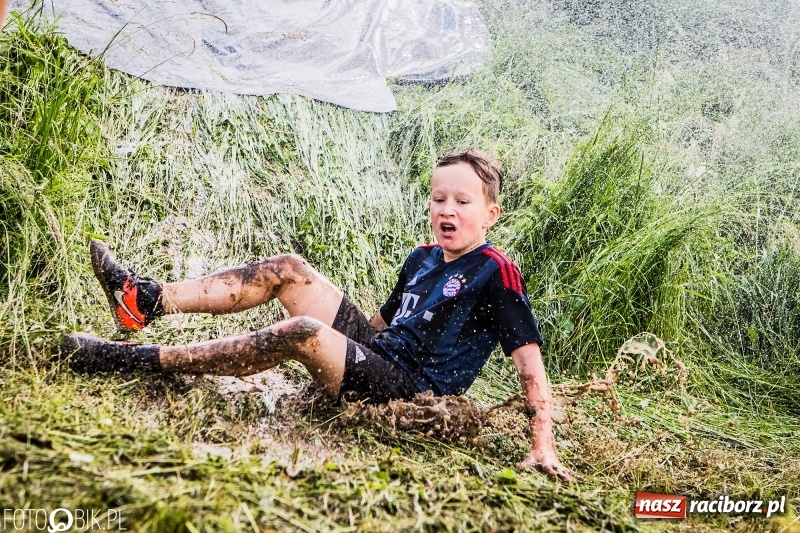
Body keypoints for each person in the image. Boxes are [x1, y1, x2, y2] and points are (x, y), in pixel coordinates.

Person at [62, 149, 574, 482]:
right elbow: (379, 325)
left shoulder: (496, 271)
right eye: (440, 198)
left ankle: (132, 360)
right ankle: (142, 300)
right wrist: (345, 342)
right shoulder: (422, 257)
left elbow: (529, 363)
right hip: (380, 357)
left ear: (490, 214)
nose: (448, 210)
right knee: (288, 268)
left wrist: (543, 444)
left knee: (302, 333)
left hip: (413, 391)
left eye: (463, 201)